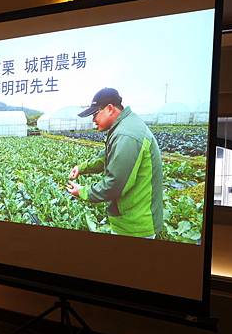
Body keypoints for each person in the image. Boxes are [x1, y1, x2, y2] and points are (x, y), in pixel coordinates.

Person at [66, 87, 163, 238]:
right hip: (130, 219)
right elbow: (107, 156)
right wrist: (81, 168)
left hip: (135, 227)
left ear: (110, 109)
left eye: (95, 114)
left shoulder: (127, 135)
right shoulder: (124, 126)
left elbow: (114, 185)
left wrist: (83, 191)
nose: (93, 120)